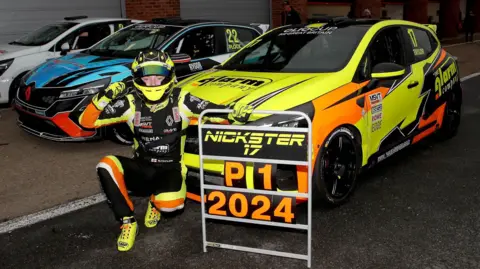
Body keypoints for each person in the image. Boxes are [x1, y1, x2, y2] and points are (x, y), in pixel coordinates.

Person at [78, 49, 230, 251]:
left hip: (171, 168)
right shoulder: (131, 102)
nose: (153, 83)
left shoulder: (182, 99)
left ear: (169, 77)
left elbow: (222, 115)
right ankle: (128, 222)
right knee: (105, 165)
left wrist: (232, 114)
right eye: (147, 78)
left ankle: (156, 202)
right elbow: (86, 122)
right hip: (142, 167)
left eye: (158, 78)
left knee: (171, 205)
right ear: (136, 79)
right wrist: (106, 95)